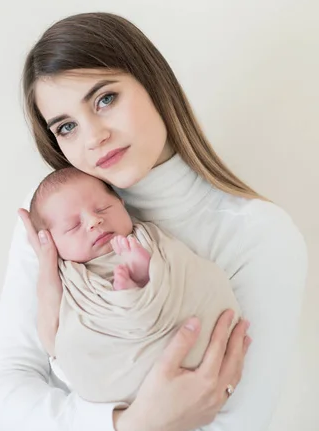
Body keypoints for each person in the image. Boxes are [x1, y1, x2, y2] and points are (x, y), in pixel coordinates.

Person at [0, 12, 307, 431]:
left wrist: (78, 426)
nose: (94, 136)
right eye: (66, 126)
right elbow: (0, 400)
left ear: (154, 83)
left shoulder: (258, 236)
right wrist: (129, 429)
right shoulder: (56, 226)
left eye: (105, 98)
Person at [28, 166, 241, 403]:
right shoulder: (68, 277)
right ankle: (131, 292)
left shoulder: (149, 238)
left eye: (103, 208)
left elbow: (188, 272)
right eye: (73, 226)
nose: (94, 221)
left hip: (191, 333)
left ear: (122, 203)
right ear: (52, 243)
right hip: (120, 363)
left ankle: (144, 278)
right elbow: (66, 343)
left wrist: (157, 272)